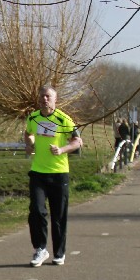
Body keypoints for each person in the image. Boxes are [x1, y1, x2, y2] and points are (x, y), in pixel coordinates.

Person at [25, 84, 83, 267]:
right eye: (42, 96)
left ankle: (59, 252)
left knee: (58, 216)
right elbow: (28, 133)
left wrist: (62, 149)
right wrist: (30, 144)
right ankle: (40, 249)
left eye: (48, 96)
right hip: (38, 172)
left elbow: (77, 141)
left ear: (55, 100)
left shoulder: (64, 119)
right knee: (37, 211)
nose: (44, 99)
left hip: (59, 173)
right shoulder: (33, 117)